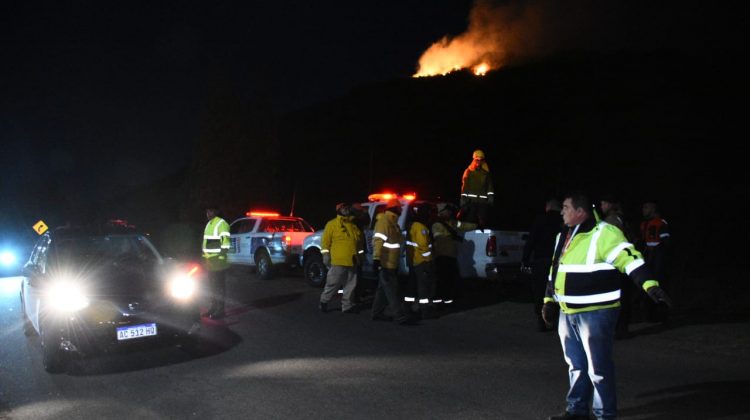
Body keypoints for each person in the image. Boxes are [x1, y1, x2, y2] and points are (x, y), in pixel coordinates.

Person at [542, 192, 672, 420]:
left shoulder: (604, 233)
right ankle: (577, 410)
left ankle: (605, 414)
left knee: (598, 368)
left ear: (579, 212)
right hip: (567, 313)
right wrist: (548, 301)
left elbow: (630, 259)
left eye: (565, 207)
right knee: (576, 365)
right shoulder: (562, 236)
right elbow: (554, 271)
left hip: (596, 313)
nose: (561, 211)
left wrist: (651, 286)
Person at [521, 197, 561, 331]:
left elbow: (531, 240)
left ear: (547, 207)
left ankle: (541, 320)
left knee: (539, 291)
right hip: (558, 262)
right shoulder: (563, 221)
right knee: (557, 290)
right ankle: (557, 320)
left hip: (540, 261)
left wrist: (525, 259)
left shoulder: (540, 220)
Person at [371, 198, 411, 324]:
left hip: (392, 263)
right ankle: (399, 316)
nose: (401, 211)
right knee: (392, 290)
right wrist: (376, 259)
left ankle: (376, 313)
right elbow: (378, 241)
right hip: (385, 262)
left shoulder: (394, 223)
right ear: (395, 209)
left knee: (383, 290)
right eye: (399, 208)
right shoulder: (385, 222)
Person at [319, 203, 364, 314]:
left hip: (352, 259)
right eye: (343, 208)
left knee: (350, 285)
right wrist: (326, 255)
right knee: (333, 283)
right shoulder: (332, 224)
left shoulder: (353, 226)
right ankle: (324, 301)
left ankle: (347, 306)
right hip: (338, 260)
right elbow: (325, 242)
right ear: (338, 210)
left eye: (346, 208)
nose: (346, 210)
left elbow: (359, 244)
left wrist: (360, 256)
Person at [600, 194, 633, 338]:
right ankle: (621, 328)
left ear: (611, 204)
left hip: (616, 263)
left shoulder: (611, 221)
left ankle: (618, 329)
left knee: (617, 298)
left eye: (604, 203)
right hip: (624, 262)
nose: (602, 206)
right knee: (623, 296)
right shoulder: (622, 218)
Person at [639, 200, 671, 322]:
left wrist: (659, 256)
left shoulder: (660, 223)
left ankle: (663, 315)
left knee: (660, 285)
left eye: (646, 207)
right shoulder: (644, 224)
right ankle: (649, 315)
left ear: (653, 208)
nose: (644, 210)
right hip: (648, 259)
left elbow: (666, 243)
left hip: (658, 259)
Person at [404, 205, 438, 319]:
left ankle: (408, 308)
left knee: (411, 286)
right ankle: (425, 311)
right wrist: (428, 260)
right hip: (422, 261)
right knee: (423, 287)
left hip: (413, 260)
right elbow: (424, 245)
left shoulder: (412, 225)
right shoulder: (421, 227)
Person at [202, 205, 231, 319]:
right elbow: (207, 244)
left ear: (216, 211)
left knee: (219, 287)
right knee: (212, 287)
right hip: (210, 262)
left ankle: (220, 310)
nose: (208, 213)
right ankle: (213, 308)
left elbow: (226, 244)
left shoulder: (221, 223)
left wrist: (219, 257)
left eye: (210, 210)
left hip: (218, 262)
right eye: (207, 210)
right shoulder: (209, 224)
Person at [432, 202, 462, 307]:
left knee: (449, 279)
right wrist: (453, 238)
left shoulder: (451, 223)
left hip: (451, 255)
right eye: (447, 211)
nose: (449, 212)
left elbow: (463, 225)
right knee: (441, 279)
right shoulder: (437, 224)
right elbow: (440, 239)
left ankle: (447, 301)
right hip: (442, 255)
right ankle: (438, 302)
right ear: (441, 212)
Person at [459, 149, 494, 228]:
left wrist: (491, 197)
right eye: (477, 159)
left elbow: (489, 187)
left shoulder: (486, 173)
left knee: (483, 222)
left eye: (481, 160)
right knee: (470, 222)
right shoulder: (468, 171)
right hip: (471, 202)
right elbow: (465, 186)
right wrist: (463, 199)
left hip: (483, 203)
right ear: (474, 160)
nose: (479, 161)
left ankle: (482, 238)